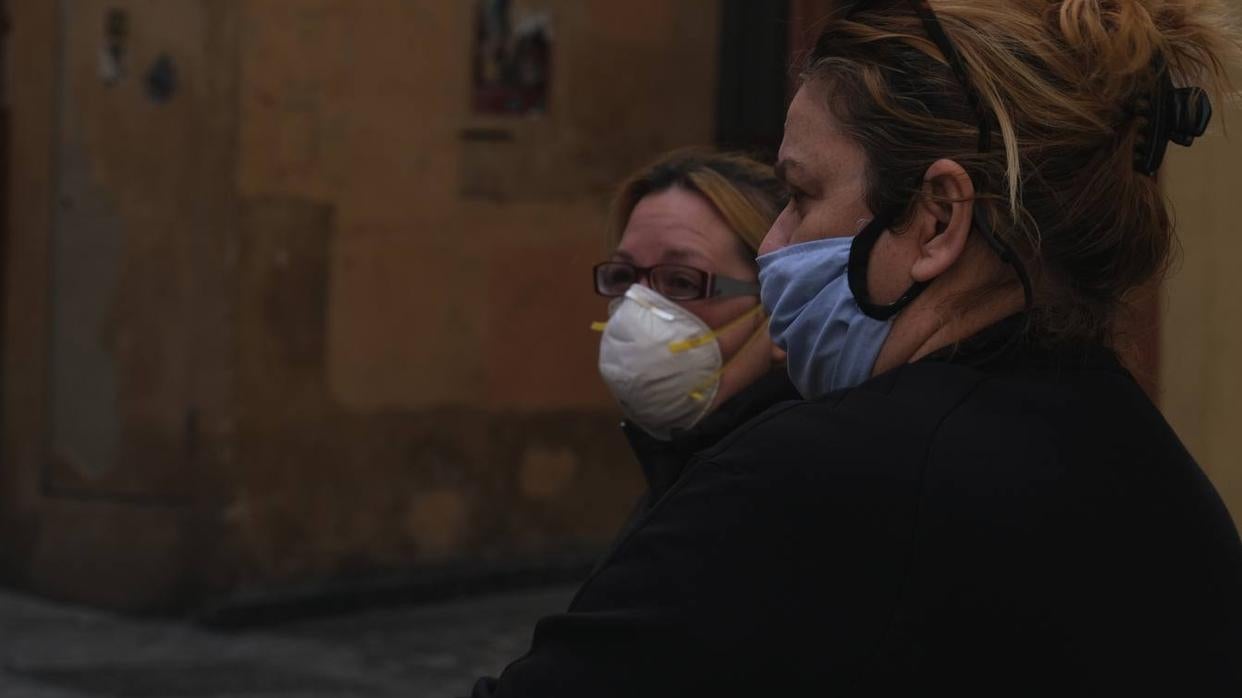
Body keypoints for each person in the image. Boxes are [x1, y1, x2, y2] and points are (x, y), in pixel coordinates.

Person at [468, 1, 1242, 695]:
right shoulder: (1160, 475)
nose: (773, 247)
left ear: (938, 220)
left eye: (801, 197)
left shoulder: (820, 475)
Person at [592, 149, 796, 503]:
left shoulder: (792, 488)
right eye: (623, 277)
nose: (638, 307)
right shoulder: (681, 477)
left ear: (777, 303)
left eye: (682, 282)